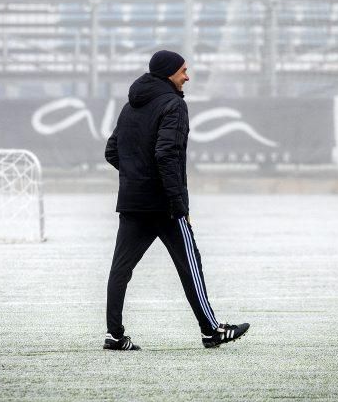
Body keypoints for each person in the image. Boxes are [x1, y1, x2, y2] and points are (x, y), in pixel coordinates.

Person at [103, 50, 250, 351]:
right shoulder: (174, 105)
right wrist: (179, 205)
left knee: (121, 269)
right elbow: (166, 155)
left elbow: (112, 152)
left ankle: (114, 336)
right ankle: (211, 331)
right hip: (165, 206)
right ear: (169, 73)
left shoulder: (130, 106)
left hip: (133, 202)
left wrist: (137, 177)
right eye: (183, 70)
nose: (188, 76)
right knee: (190, 266)